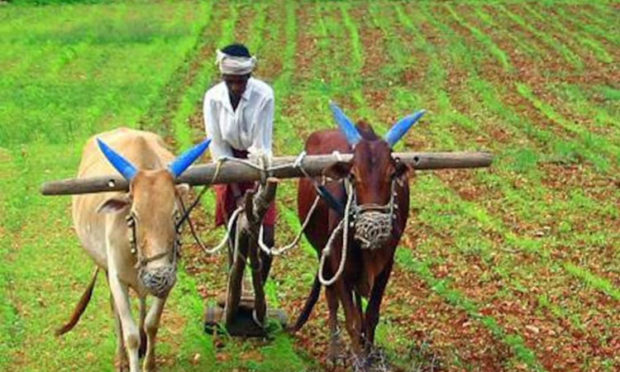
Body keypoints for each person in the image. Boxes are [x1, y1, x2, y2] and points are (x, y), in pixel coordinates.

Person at [203, 43, 275, 282]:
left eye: (241, 81)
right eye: (230, 80)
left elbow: (261, 146)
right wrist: (235, 194)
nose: (236, 86)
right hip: (228, 166)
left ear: (249, 76)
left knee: (266, 239)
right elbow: (218, 147)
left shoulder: (264, 95)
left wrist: (256, 196)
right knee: (236, 235)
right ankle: (234, 286)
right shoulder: (213, 98)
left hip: (257, 166)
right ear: (223, 76)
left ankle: (259, 291)